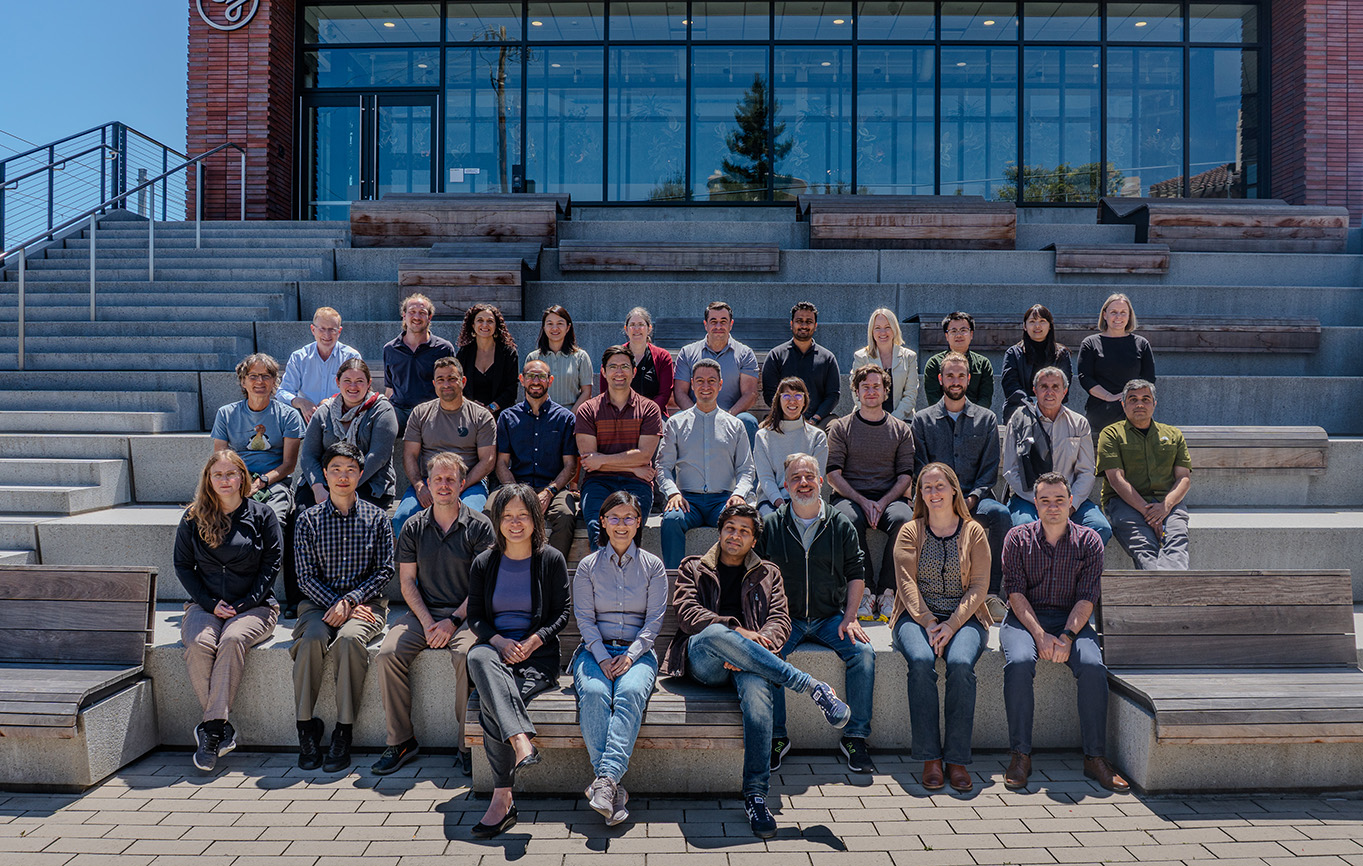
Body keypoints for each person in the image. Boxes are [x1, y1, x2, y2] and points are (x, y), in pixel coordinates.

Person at [662, 502, 852, 840]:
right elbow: (689, 615)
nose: (735, 535)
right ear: (720, 532)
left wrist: (756, 647)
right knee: (718, 633)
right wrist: (738, 633)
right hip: (704, 662)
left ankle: (756, 796)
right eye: (730, 528)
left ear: (753, 540)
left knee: (757, 698)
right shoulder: (693, 567)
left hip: (749, 663)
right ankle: (810, 687)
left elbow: (781, 620)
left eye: (744, 531)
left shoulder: (768, 574)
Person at [1000, 472, 1129, 793]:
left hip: (1072, 619)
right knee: (1018, 664)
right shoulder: (1017, 539)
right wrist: (1040, 635)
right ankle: (1020, 755)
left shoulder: (1089, 541)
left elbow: (1087, 596)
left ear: (1071, 503)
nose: (1052, 506)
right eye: (1045, 500)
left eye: (1059, 500)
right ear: (1035, 503)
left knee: (1092, 667)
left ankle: (1095, 757)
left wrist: (1068, 636)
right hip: (1024, 618)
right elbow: (1015, 594)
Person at [373, 452, 495, 778]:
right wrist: (428, 623)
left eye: (450, 479)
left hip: (467, 615)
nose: (443, 485)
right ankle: (401, 740)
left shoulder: (480, 526)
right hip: (424, 612)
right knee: (387, 654)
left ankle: (465, 744)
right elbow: (407, 582)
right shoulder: (413, 526)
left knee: (468, 656)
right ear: (426, 484)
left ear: (463, 483)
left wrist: (452, 621)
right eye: (437, 479)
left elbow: (482, 586)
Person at [758, 454, 876, 774]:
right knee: (767, 656)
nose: (804, 483)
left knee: (863, 654)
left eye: (810, 476)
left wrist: (850, 616)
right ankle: (777, 737)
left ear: (821, 482)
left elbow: (856, 572)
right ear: (785, 485)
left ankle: (854, 737)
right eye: (796, 478)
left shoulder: (840, 523)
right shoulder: (771, 525)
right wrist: (766, 620)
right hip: (787, 618)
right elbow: (756, 575)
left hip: (829, 616)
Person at [465, 485, 571, 838]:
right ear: (497, 521)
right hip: (495, 653)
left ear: (535, 519)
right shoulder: (484, 563)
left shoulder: (550, 559)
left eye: (522, 516)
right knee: (477, 655)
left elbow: (562, 614)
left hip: (535, 657)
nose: (515, 523)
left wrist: (533, 640)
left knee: (491, 705)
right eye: (507, 516)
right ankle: (521, 740)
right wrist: (498, 640)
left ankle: (502, 797)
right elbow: (476, 619)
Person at [174, 449, 280, 772]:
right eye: (217, 475)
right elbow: (182, 565)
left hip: (256, 606)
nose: (224, 480)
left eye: (230, 474)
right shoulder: (194, 517)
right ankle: (220, 727)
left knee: (232, 640)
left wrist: (244, 604)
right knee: (199, 643)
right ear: (208, 479)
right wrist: (209, 603)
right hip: (206, 604)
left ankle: (210, 730)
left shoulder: (262, 515)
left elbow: (272, 564)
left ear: (242, 478)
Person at [291, 442, 394, 773]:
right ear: (324, 474)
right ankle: (305, 728)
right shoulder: (307, 521)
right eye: (335, 469)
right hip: (317, 603)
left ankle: (343, 730)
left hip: (365, 605)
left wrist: (351, 601)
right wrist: (336, 602)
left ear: (361, 474)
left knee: (349, 641)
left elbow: (385, 570)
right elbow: (304, 576)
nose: (343, 476)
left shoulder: (377, 518)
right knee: (310, 641)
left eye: (351, 470)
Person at [889, 463, 991, 793]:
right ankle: (931, 758)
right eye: (926, 487)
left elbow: (978, 587)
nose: (933, 493)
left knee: (960, 665)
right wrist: (931, 622)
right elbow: (905, 584)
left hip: (966, 618)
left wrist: (951, 624)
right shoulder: (910, 530)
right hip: (916, 617)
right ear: (920, 494)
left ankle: (957, 759)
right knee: (920, 662)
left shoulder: (973, 531)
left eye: (939, 486)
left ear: (953, 490)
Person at [572, 491, 667, 826]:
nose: (622, 524)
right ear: (603, 522)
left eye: (629, 518)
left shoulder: (652, 566)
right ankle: (613, 788)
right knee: (596, 695)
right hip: (594, 651)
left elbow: (654, 621)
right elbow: (584, 619)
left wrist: (629, 656)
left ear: (639, 522)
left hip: (637, 654)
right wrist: (601, 656)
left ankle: (605, 782)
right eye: (614, 517)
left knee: (628, 694)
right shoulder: (588, 566)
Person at [912, 352, 1011, 607]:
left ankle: (991, 594)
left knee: (1001, 515)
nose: (955, 381)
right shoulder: (923, 420)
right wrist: (943, 501)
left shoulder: (986, 418)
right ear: (940, 379)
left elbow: (989, 469)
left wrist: (971, 498)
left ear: (968, 379)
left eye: (960, 376)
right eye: (949, 376)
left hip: (975, 498)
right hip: (935, 498)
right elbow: (922, 468)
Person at [210, 353, 304, 614]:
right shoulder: (226, 414)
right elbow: (219, 460)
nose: (259, 381)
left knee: (274, 519)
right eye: (253, 376)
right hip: (235, 479)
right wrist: (240, 483)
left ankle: (271, 593)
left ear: (276, 381)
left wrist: (261, 482)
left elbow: (288, 465)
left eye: (266, 376)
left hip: (274, 482)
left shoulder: (288, 415)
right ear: (243, 381)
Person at [826, 364, 916, 623]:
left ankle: (888, 590)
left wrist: (883, 501)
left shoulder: (901, 429)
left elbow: (905, 477)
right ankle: (863, 590)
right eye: (865, 387)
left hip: (891, 498)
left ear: (886, 391)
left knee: (904, 520)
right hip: (850, 497)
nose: (871, 391)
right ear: (856, 391)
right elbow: (833, 475)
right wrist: (863, 501)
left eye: (877, 386)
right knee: (846, 519)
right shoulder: (841, 427)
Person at [658, 358, 757, 569]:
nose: (705, 386)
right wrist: (673, 493)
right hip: (687, 500)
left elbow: (746, 469)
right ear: (692, 384)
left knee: (740, 521)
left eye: (711, 381)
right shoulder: (676, 423)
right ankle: (675, 580)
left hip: (723, 500)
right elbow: (663, 467)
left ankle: (732, 579)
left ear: (720, 384)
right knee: (671, 521)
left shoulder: (735, 425)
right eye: (700, 381)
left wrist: (739, 494)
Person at [1002, 367, 1111, 543]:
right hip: (1029, 499)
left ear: (1064, 391)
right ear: (1035, 390)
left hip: (1069, 501)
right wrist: (1041, 502)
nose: (1049, 392)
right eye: (1044, 386)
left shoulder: (1078, 423)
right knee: (1025, 529)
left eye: (1055, 387)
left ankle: (1071, 569)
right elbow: (1010, 470)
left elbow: (1086, 471)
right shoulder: (1018, 420)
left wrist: (1070, 505)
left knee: (1100, 528)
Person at [392, 357, 497, 536]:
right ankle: (417, 564)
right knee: (402, 518)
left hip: (469, 484)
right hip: (429, 482)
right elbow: (409, 455)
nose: (446, 384)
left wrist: (460, 487)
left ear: (462, 381)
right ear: (434, 384)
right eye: (440, 379)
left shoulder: (481, 416)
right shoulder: (420, 413)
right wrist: (419, 486)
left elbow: (488, 460)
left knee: (473, 520)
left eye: (452, 378)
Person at [1096, 379, 1192, 570]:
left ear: (1154, 404)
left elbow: (1184, 478)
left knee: (1177, 542)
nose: (1139, 404)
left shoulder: (1173, 434)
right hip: (1125, 503)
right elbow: (1116, 479)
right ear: (1123, 405)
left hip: (1168, 502)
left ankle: (1167, 594)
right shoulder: (1111, 434)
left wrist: (1165, 507)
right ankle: (1163, 594)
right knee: (1144, 547)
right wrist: (1150, 513)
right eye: (1133, 399)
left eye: (1145, 399)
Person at [576, 345, 664, 551]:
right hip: (598, 482)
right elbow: (589, 462)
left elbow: (644, 456)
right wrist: (633, 465)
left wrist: (604, 460)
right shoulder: (588, 410)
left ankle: (630, 580)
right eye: (613, 366)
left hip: (636, 483)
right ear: (604, 372)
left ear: (634, 372)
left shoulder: (649, 409)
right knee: (597, 528)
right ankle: (603, 580)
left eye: (625, 366)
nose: (619, 372)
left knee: (630, 528)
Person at [496, 358, 579, 558]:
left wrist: (549, 492)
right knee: (491, 508)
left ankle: (552, 569)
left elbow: (570, 466)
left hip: (553, 487)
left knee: (566, 516)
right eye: (531, 376)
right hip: (516, 485)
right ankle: (504, 566)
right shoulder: (507, 417)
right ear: (522, 380)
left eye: (541, 376)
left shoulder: (565, 418)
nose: (536, 381)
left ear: (550, 380)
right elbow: (501, 464)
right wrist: (516, 494)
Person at [297, 358, 399, 511]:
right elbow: (308, 455)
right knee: (304, 511)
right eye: (347, 380)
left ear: (369, 383)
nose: (353, 386)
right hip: (326, 480)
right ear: (337, 382)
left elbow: (378, 456)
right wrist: (318, 487)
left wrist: (345, 486)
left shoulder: (382, 410)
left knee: (354, 515)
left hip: (368, 482)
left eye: (359, 381)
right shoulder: (324, 411)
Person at [674, 301, 761, 444]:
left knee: (748, 421)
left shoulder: (745, 354)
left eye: (723, 321)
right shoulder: (688, 352)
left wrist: (726, 417)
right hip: (695, 415)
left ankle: (749, 467)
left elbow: (749, 394)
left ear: (731, 324)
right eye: (713, 321)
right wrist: (697, 416)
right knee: (676, 420)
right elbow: (680, 393)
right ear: (705, 324)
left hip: (732, 415)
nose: (718, 326)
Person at [1077, 293, 1156, 438]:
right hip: (1101, 411)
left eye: (1123, 312)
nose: (1118, 317)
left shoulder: (1141, 344)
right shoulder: (1090, 343)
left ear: (1129, 316)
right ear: (1105, 315)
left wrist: (1129, 398)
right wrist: (1109, 397)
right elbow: (1085, 377)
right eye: (1113, 312)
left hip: (1134, 411)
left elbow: (1149, 379)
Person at [753, 377, 828, 517]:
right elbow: (766, 478)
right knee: (771, 522)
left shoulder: (817, 437)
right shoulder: (763, 436)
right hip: (772, 500)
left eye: (798, 396)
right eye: (786, 395)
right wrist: (780, 503)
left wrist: (798, 506)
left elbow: (816, 478)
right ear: (778, 400)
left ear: (805, 400)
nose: (792, 401)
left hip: (806, 495)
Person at [277, 306, 362, 425]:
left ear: (339, 331)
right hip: (306, 419)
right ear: (313, 330)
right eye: (322, 329)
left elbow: (358, 390)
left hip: (341, 417)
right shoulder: (299, 357)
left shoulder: (351, 357)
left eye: (332, 329)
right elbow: (283, 392)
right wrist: (301, 403)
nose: (327, 335)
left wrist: (330, 402)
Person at [383, 293, 455, 433]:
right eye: (412, 312)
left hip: (432, 412)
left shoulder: (444, 348)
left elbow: (453, 385)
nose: (416, 317)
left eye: (422, 313)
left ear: (429, 317)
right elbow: (389, 388)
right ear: (404, 315)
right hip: (400, 412)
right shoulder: (390, 349)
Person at [760, 301, 840, 426]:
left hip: (818, 420)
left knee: (835, 426)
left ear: (815, 325)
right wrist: (789, 415)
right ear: (791, 324)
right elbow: (769, 393)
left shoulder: (827, 358)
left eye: (808, 321)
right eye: (799, 321)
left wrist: (814, 419)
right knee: (762, 429)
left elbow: (833, 395)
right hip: (783, 417)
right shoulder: (776, 355)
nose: (804, 325)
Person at [1000, 304, 1073, 423]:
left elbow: (1064, 385)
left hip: (1052, 408)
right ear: (1024, 326)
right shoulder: (1013, 353)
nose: (1037, 325)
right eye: (1032, 321)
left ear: (1050, 326)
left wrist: (1044, 404)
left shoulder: (1062, 354)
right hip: (1020, 408)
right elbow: (1010, 385)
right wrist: (1030, 404)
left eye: (1042, 321)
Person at [599, 306, 675, 417]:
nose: (636, 329)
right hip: (619, 414)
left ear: (649, 328)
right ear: (626, 329)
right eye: (632, 325)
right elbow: (605, 392)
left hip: (653, 414)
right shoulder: (613, 356)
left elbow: (664, 394)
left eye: (641, 325)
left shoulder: (662, 357)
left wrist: (646, 414)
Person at [849, 307, 918, 422]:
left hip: (902, 419)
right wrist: (874, 418)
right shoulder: (861, 357)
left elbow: (910, 395)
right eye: (877, 328)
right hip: (867, 418)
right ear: (871, 331)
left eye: (887, 327)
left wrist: (892, 420)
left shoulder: (909, 357)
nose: (883, 332)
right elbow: (856, 393)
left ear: (894, 329)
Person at [525, 304, 594, 411]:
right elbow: (528, 391)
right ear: (544, 327)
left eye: (560, 323)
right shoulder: (533, 358)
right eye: (550, 324)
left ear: (568, 327)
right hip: (541, 415)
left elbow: (586, 392)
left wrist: (570, 417)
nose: (555, 328)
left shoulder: (581, 357)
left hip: (572, 416)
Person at [456, 303, 520, 416]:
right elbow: (458, 386)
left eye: (490, 321)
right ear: (472, 324)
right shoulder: (464, 353)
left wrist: (491, 408)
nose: (485, 325)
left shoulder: (508, 353)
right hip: (469, 414)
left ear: (496, 326)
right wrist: (471, 405)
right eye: (480, 320)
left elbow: (511, 389)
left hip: (501, 415)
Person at [923, 312, 994, 409]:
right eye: (953, 331)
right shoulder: (934, 364)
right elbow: (933, 399)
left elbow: (985, 398)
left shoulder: (983, 364)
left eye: (963, 330)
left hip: (975, 419)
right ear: (947, 336)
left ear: (971, 334)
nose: (959, 335)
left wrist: (973, 416)